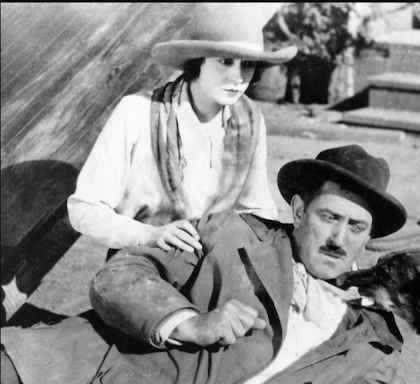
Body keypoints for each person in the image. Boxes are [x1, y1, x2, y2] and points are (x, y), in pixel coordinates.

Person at [1, 144, 408, 384]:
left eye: (356, 227)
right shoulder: (233, 233)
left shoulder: (373, 338)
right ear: (299, 212)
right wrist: (191, 323)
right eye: (330, 217)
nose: (339, 239)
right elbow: (120, 275)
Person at [67, 3, 297, 254]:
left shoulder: (249, 121)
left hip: (211, 260)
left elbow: (256, 211)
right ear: (198, 61)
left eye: (248, 64)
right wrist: (149, 234)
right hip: (142, 257)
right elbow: (84, 209)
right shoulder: (137, 112)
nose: (237, 77)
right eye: (225, 61)